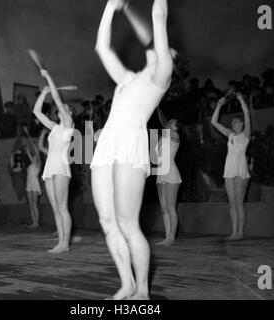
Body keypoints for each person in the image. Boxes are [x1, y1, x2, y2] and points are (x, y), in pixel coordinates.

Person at [91, 0, 173, 300]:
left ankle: (142, 290)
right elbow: (102, 47)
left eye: (165, 47)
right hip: (107, 144)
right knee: (107, 222)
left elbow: (158, 16)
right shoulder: (127, 78)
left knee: (128, 223)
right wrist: (111, 7)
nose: (158, 46)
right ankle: (126, 283)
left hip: (130, 143)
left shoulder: (160, 76)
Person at [33, 70, 74, 253]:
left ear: (69, 113)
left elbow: (57, 100)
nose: (62, 106)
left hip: (61, 167)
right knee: (56, 208)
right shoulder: (55, 127)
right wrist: (43, 93)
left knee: (62, 207)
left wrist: (49, 78)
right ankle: (60, 242)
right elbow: (36, 112)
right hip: (50, 167)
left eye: (66, 107)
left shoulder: (68, 123)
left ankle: (65, 243)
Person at [211, 93, 251, 240]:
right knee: (232, 203)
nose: (233, 124)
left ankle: (240, 232)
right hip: (229, 170)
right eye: (232, 122)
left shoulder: (246, 134)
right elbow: (214, 122)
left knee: (239, 202)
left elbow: (247, 113)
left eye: (235, 122)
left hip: (240, 170)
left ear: (241, 124)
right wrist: (219, 106)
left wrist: (241, 99)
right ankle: (234, 232)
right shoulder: (230, 135)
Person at [155, 107, 182, 246]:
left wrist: (158, 107)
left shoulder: (175, 137)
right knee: (163, 208)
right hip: (160, 173)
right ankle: (167, 237)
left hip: (171, 173)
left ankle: (172, 237)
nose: (169, 123)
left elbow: (164, 123)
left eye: (172, 122)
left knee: (171, 206)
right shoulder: (161, 138)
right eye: (169, 122)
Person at [24, 127, 42, 228]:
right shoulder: (31, 164)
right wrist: (28, 152)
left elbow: (36, 152)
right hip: (29, 184)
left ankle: (37, 222)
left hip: (35, 184)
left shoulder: (38, 164)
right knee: (30, 204)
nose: (33, 156)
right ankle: (33, 222)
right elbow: (32, 155)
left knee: (34, 204)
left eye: (35, 155)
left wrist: (28, 135)